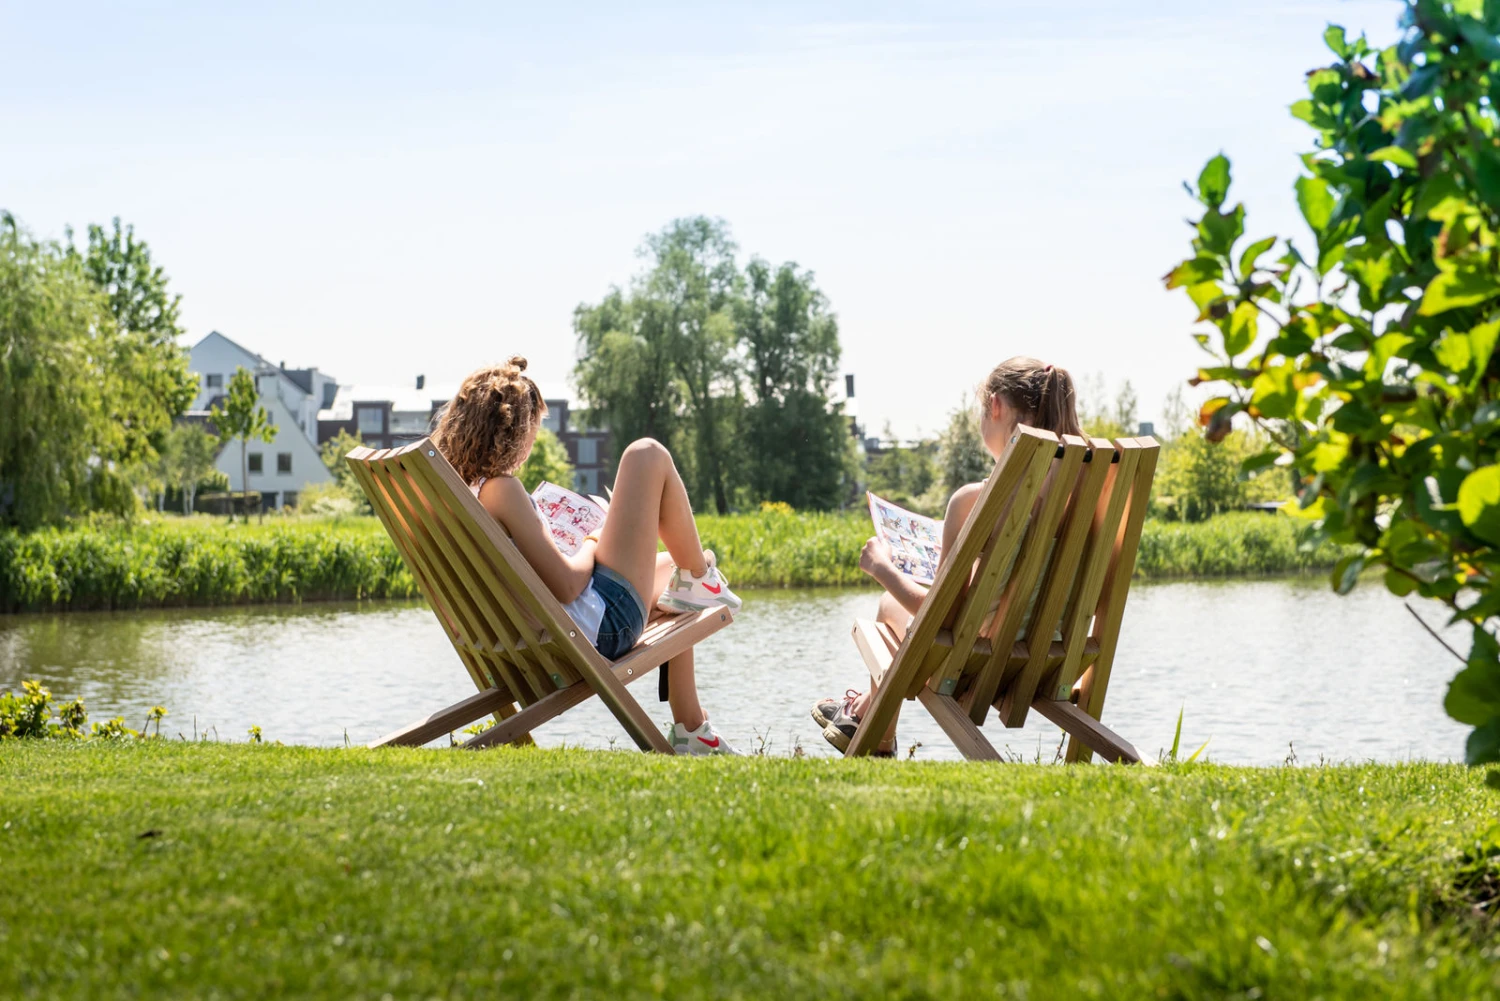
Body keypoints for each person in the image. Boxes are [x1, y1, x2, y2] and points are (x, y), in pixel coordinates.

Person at [432, 356, 744, 755]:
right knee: (645, 454)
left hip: (539, 639)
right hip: (596, 628)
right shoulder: (502, 489)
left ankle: (692, 727)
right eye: (533, 431)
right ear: (513, 430)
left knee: (677, 573)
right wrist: (593, 539)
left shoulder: (461, 497)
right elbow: (567, 583)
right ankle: (702, 576)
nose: (531, 444)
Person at [812, 356, 1084, 756]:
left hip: (983, 662)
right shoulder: (1092, 491)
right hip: (1056, 659)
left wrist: (883, 568)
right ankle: (864, 714)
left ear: (995, 405)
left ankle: (877, 736)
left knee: (890, 607)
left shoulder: (974, 501)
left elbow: (940, 617)